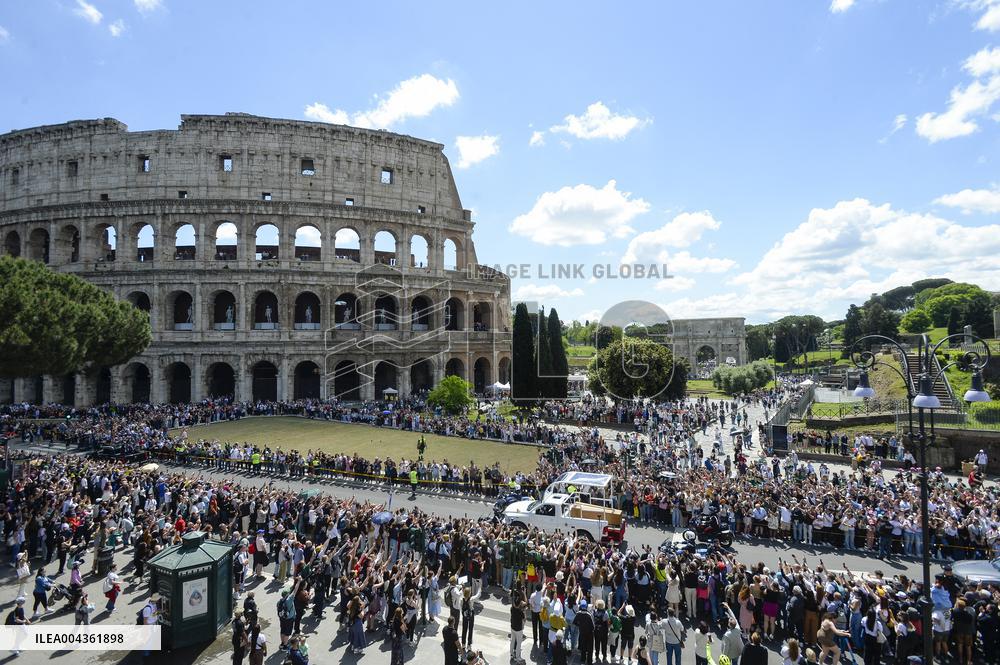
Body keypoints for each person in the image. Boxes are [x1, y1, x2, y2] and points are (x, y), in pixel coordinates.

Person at [510, 592, 526, 664]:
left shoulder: (512, 608)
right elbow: (524, 619)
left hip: (513, 627)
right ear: (519, 604)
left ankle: (511, 654)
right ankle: (518, 657)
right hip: (518, 629)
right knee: (519, 643)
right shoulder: (520, 611)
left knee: (512, 641)